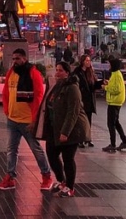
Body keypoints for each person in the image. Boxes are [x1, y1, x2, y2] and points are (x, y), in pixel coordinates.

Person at [0, 48, 52, 191]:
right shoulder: (11, 73)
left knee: (36, 149)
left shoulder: (33, 73)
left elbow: (38, 97)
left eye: (18, 58)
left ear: (24, 59)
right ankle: (10, 177)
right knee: (11, 150)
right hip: (13, 119)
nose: (15, 61)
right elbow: (6, 92)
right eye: (13, 59)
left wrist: (35, 119)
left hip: (28, 121)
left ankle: (46, 176)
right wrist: (7, 111)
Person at [41, 61, 88, 197]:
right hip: (55, 129)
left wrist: (65, 132)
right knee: (51, 154)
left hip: (71, 130)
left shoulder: (73, 88)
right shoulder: (57, 86)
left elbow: (72, 112)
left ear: (67, 73)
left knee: (68, 158)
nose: (57, 73)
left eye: (61, 70)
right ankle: (62, 180)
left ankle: (70, 187)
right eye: (56, 70)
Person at [101, 57, 126, 152]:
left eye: (110, 65)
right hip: (116, 102)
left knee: (111, 124)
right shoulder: (116, 74)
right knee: (116, 123)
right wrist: (109, 83)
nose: (109, 66)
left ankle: (113, 144)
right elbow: (115, 86)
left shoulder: (116, 75)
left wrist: (105, 87)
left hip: (114, 102)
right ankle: (124, 141)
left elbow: (116, 89)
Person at [72, 54, 98, 148]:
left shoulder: (90, 71)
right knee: (81, 120)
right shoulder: (77, 72)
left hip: (89, 100)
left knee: (88, 120)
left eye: (89, 60)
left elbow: (93, 85)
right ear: (82, 61)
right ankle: (80, 139)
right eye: (87, 60)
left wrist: (101, 83)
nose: (88, 62)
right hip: (81, 99)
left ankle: (88, 139)